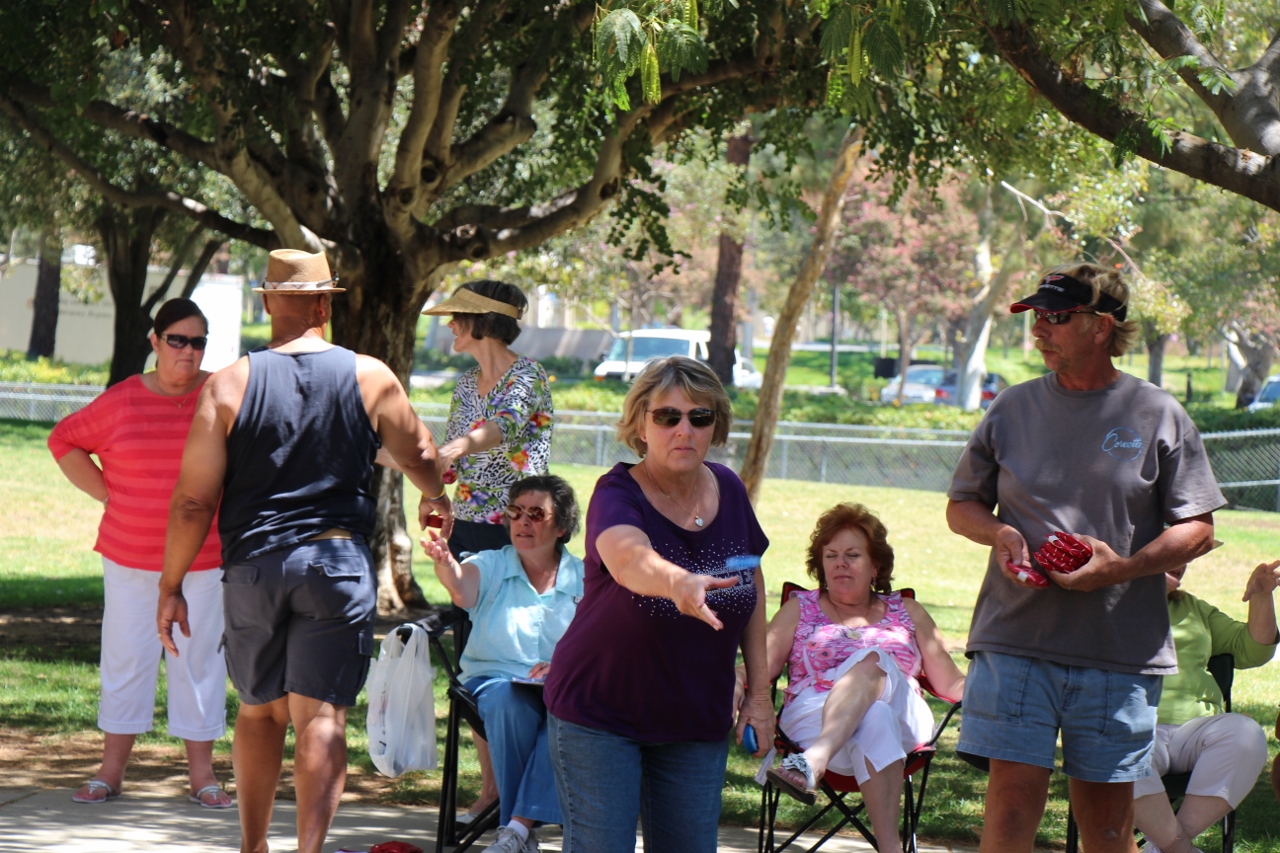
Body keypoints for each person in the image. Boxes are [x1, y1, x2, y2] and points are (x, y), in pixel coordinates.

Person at [156, 249, 453, 853]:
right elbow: (423, 455)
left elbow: (191, 503)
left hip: (253, 568)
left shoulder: (230, 382)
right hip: (335, 563)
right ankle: (309, 851)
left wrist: (170, 584)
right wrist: (434, 496)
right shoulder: (370, 376)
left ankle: (253, 846)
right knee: (320, 719)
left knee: (259, 711)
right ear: (325, 305)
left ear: (267, 303)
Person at [946, 262, 1226, 853]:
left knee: (1105, 825)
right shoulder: (1012, 408)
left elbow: (1198, 528)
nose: (1038, 330)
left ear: (1101, 327)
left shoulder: (1157, 414)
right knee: (1012, 807)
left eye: (1055, 317)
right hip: (1016, 637)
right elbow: (962, 505)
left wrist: (1121, 569)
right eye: (1035, 318)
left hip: (1118, 650)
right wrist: (999, 535)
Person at [543, 355, 776, 853]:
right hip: (601, 712)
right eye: (667, 416)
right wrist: (679, 583)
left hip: (694, 716)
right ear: (641, 426)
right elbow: (628, 559)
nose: (683, 430)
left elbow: (751, 585)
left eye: (699, 416)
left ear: (716, 425)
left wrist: (759, 693)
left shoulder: (730, 489)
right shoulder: (617, 491)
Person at [47, 298, 232, 808]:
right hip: (130, 555)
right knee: (127, 659)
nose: (188, 352)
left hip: (204, 556)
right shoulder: (123, 399)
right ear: (154, 343)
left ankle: (203, 776)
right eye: (177, 340)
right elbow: (64, 441)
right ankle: (111, 771)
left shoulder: (223, 394)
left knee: (198, 662)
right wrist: (109, 495)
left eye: (198, 342)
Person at [420, 280, 553, 821]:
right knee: (476, 658)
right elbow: (449, 464)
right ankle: (495, 787)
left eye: (456, 316)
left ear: (482, 322)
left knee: (519, 658)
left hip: (523, 536)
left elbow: (502, 428)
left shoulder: (529, 376)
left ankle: (527, 794)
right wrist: (435, 492)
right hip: (472, 534)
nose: (448, 325)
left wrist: (457, 444)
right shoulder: (462, 385)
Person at [760, 503, 965, 853]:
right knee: (875, 714)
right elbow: (757, 667)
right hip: (812, 715)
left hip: (904, 723)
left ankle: (813, 762)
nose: (840, 563)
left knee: (875, 660)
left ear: (876, 566)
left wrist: (993, 694)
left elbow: (950, 682)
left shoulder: (907, 611)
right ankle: (891, 849)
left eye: (853, 555)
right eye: (831, 555)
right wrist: (736, 681)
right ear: (820, 564)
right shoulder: (799, 608)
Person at [420, 474, 583, 853]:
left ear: (561, 526)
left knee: (570, 711)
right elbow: (462, 587)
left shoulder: (584, 577)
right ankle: (521, 830)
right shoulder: (491, 563)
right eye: (515, 511)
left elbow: (601, 642)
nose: (522, 521)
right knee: (511, 701)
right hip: (492, 682)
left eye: (536, 514)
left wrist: (563, 668)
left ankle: (517, 829)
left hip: (560, 686)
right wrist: (445, 562)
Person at [1132, 559, 1278, 853]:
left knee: (1246, 732)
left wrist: (1262, 596)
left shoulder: (1194, 608)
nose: (1182, 563)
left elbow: (1254, 649)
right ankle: (1177, 848)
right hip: (1133, 727)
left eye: (1186, 556)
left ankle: (1163, 846)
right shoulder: (1101, 607)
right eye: (1171, 554)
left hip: (1195, 732)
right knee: (1109, 746)